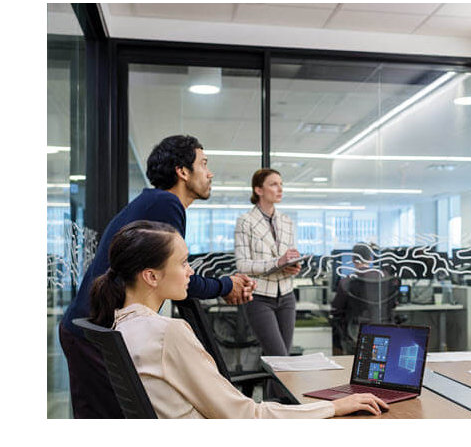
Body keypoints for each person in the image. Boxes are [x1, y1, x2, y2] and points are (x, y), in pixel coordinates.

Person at [89, 220, 388, 418]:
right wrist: (332, 407)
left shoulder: (121, 325)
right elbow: (247, 418)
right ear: (151, 276)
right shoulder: (167, 332)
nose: (191, 271)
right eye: (182, 263)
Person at [60, 135, 257, 418]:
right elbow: (173, 276)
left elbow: (174, 273)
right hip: (92, 333)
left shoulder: (154, 202)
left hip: (89, 328)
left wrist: (224, 285)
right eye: (203, 164)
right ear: (182, 171)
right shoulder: (166, 203)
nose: (209, 173)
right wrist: (226, 285)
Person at [234, 168, 302, 360]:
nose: (279, 189)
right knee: (279, 358)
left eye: (281, 184)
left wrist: (292, 266)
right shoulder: (245, 222)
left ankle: (273, 392)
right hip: (260, 297)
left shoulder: (287, 222)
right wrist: (277, 262)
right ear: (258, 190)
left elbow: (288, 257)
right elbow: (243, 265)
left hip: (286, 295)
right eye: (273, 184)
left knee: (281, 361)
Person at [330, 243, 398, 354]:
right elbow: (393, 304)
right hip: (384, 332)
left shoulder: (346, 282)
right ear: (371, 259)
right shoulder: (386, 278)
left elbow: (336, 310)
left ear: (353, 259)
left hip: (356, 334)